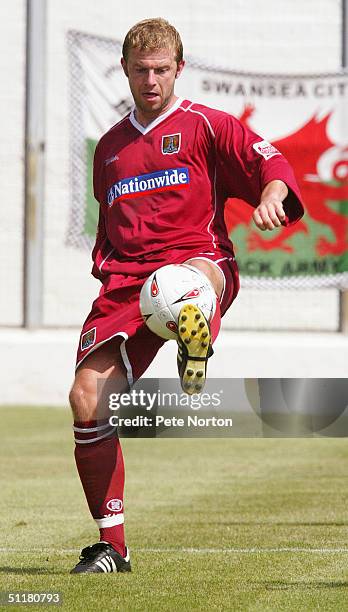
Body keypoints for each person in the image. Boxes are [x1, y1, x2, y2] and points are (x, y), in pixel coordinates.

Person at [68, 17, 304, 574]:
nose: (151, 80)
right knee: (86, 397)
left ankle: (194, 335)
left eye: (162, 69)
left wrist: (272, 194)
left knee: (188, 284)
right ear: (125, 69)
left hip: (197, 259)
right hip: (127, 284)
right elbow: (108, 231)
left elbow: (271, 163)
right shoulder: (109, 149)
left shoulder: (205, 125)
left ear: (180, 67)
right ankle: (112, 546)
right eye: (141, 69)